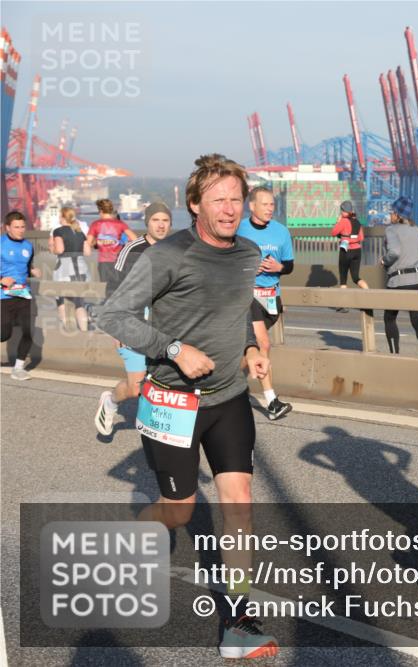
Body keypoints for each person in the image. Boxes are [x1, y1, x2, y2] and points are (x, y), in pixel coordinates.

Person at [97, 154, 278, 660]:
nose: (229, 209)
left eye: (236, 199)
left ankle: (238, 620)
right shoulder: (167, 255)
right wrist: (175, 349)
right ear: (193, 204)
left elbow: (236, 307)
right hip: (172, 401)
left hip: (229, 399)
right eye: (218, 199)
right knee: (180, 511)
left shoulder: (247, 252)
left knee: (238, 502)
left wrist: (248, 349)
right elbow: (111, 314)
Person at [94, 202, 173, 436]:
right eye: (156, 220)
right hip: (133, 325)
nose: (160, 225)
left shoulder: (175, 250)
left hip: (164, 328)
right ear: (147, 222)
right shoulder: (132, 249)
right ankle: (110, 402)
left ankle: (160, 429)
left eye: (165, 220)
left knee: (166, 383)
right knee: (135, 388)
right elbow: (114, 290)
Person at [236, 186, 295, 420]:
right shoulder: (239, 229)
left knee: (253, 350)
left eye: (272, 204)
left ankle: (222, 381)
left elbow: (289, 265)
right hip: (247, 295)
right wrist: (250, 268)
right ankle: (272, 402)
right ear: (252, 206)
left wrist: (279, 268)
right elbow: (225, 260)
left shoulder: (281, 232)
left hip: (272, 298)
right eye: (265, 204)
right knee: (264, 344)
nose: (270, 208)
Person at [381, 196, 418, 356]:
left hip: (398, 280)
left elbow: (394, 252)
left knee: (389, 318)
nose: (390, 215)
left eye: (391, 212)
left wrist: (384, 260)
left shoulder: (391, 230)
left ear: (397, 213)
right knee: (417, 320)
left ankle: (394, 355)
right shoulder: (417, 230)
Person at [1, 211, 42, 381]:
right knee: (4, 334)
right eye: (16, 227)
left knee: (27, 332)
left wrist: (33, 271)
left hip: (23, 294)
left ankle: (18, 369)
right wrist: (1, 279)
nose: (20, 230)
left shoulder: (28, 246)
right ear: (7, 227)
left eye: (23, 227)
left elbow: (28, 265)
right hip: (3, 295)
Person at [49, 206, 92, 331]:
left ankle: (69, 330)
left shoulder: (58, 231)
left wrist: (52, 249)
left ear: (62, 217)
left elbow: (60, 250)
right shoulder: (79, 232)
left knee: (61, 300)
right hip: (82, 270)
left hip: (65, 270)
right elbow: (88, 252)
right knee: (79, 303)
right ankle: (84, 332)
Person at [87, 198, 137, 282]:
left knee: (106, 289)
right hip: (119, 261)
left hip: (104, 262)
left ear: (100, 210)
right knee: (117, 288)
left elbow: (87, 243)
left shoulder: (95, 224)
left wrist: (97, 242)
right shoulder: (120, 224)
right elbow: (135, 239)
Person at [331, 201, 368, 311]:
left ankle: (343, 305)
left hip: (346, 251)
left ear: (343, 211)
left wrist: (337, 222)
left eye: (341, 210)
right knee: (356, 277)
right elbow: (361, 237)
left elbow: (333, 232)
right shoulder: (357, 221)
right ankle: (369, 296)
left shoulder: (343, 221)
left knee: (343, 279)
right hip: (357, 250)